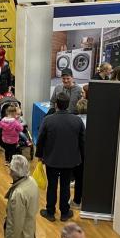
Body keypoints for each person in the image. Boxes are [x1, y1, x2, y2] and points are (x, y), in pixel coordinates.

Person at [37, 92, 85, 222]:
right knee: (65, 186)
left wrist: (39, 155)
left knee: (52, 185)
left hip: (51, 159)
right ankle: (64, 212)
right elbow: (82, 141)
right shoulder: (77, 120)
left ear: (56, 104)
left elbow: (40, 139)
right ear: (68, 104)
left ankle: (50, 211)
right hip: (70, 160)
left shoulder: (48, 120)